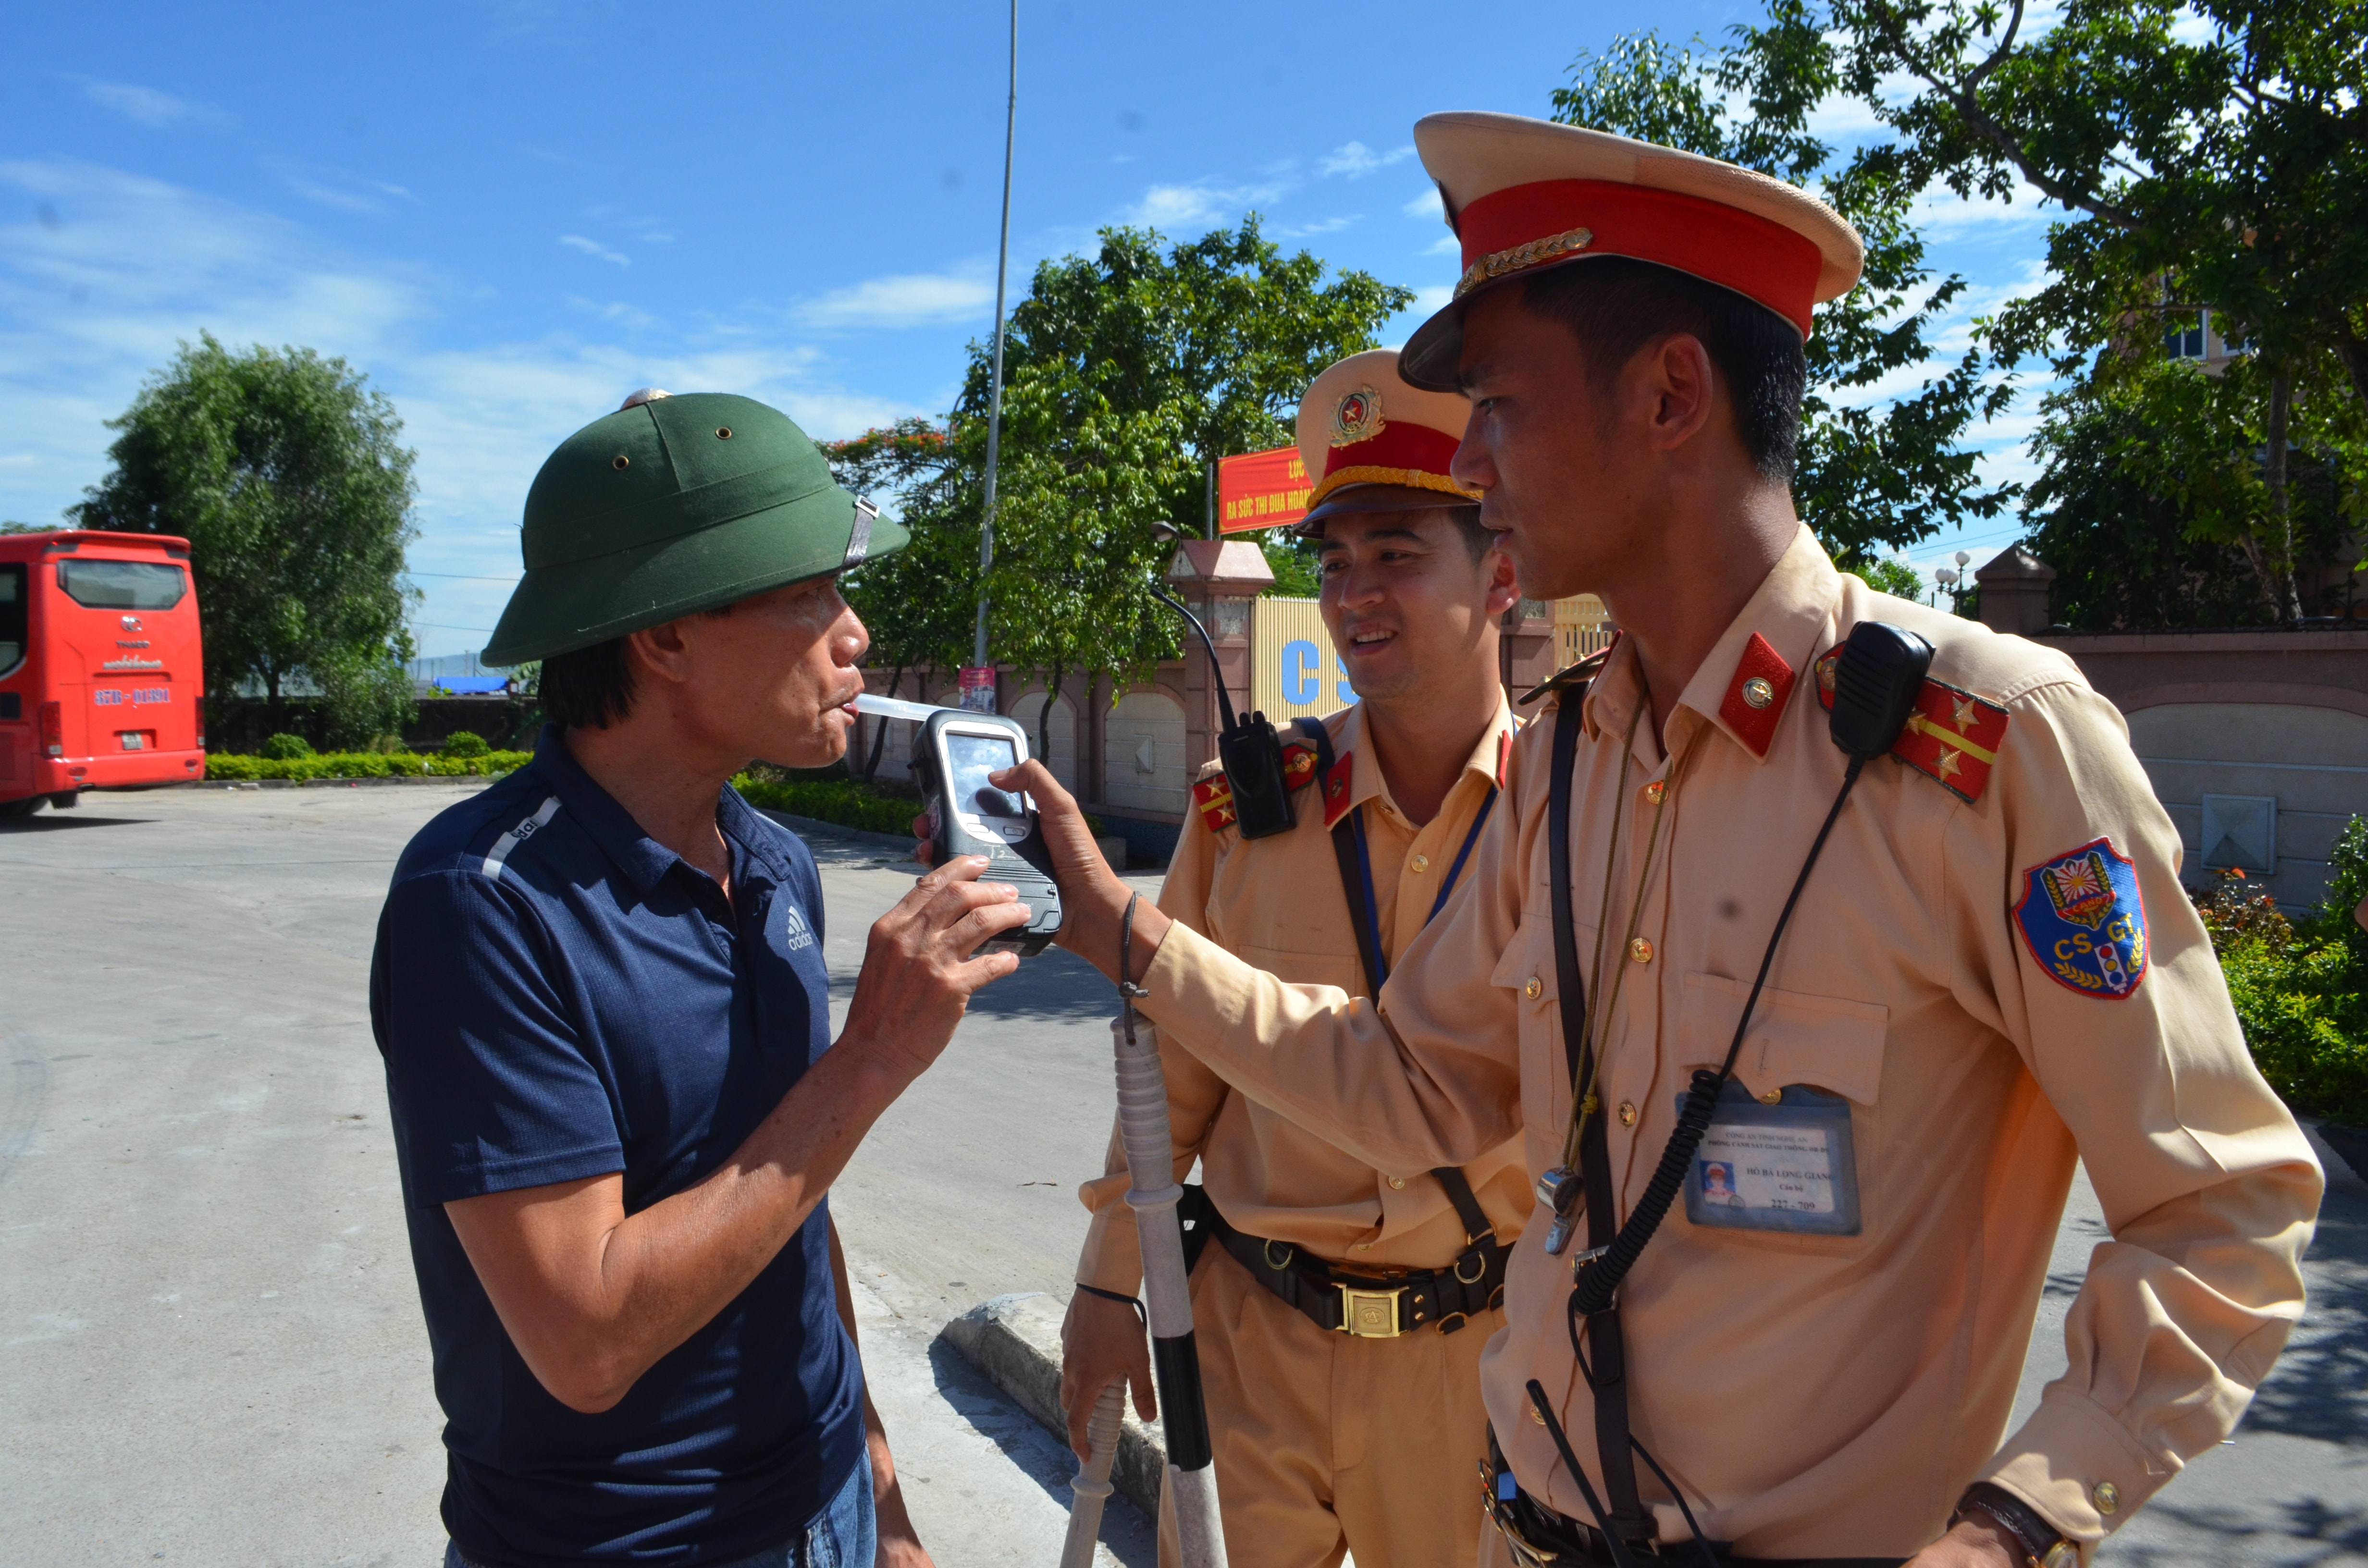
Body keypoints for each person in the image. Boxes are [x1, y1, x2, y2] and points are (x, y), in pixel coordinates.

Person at [996, 114, 2324, 1567]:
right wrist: (1125, 934)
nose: (1477, 459)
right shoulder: (1572, 758)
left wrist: (2013, 1531)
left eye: (1499, 404)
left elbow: (2223, 1214)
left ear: (1673, 394)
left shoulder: (1980, 745)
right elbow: (1410, 1086)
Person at [371, 390, 1033, 1568]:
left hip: (823, 1505)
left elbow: (789, 1200)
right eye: (806, 596)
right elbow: (586, 1341)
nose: (857, 634)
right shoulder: (481, 905)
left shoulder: (773, 862)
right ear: (664, 638)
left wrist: (878, 1490)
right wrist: (872, 1058)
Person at [1059, 349, 1528, 1568]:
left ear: (1506, 573)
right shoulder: (1247, 813)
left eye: (1397, 556)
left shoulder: (1574, 824)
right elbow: (1168, 1079)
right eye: (1333, 562)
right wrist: (1110, 1287)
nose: (1354, 594)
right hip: (1254, 1343)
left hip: (1476, 1360)